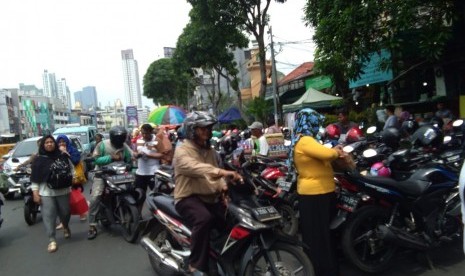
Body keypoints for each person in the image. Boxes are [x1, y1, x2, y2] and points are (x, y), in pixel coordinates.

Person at [173, 111, 242, 275]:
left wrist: (223, 187)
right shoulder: (182, 151)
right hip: (188, 197)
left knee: (232, 219)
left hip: (209, 197)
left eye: (209, 128)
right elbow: (198, 168)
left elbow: (216, 173)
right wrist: (223, 173)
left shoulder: (210, 151)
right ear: (192, 130)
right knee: (204, 219)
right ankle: (195, 264)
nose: (207, 131)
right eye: (202, 128)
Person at [289, 108, 344, 276]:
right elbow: (326, 154)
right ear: (308, 121)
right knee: (319, 236)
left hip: (317, 193)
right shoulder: (305, 140)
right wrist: (337, 151)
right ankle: (323, 269)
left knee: (318, 234)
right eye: (315, 121)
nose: (318, 125)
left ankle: (320, 267)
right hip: (316, 194)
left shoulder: (306, 139)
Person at [87, 126, 134, 240]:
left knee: (133, 189)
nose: (120, 141)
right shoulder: (102, 145)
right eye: (118, 138)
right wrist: (111, 158)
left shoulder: (124, 146)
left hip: (119, 174)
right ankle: (92, 225)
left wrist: (130, 166)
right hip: (102, 174)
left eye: (122, 138)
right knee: (95, 197)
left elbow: (129, 159)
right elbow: (96, 159)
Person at [30, 135, 73, 253]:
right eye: (47, 142)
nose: (49, 144)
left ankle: (65, 225)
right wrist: (35, 193)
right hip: (46, 192)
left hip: (63, 190)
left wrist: (68, 180)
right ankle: (52, 239)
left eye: (51, 142)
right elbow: (34, 178)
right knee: (48, 215)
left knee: (65, 212)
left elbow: (71, 170)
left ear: (55, 144)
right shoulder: (39, 160)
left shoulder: (63, 156)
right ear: (43, 145)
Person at [55, 134, 85, 226]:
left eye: (63, 141)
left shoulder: (72, 150)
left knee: (77, 197)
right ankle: (62, 222)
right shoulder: (55, 152)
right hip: (61, 178)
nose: (61, 143)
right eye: (59, 142)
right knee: (61, 202)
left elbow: (76, 161)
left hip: (73, 177)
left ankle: (82, 213)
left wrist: (66, 153)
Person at [134, 123, 164, 211]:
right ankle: (138, 215)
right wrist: (136, 155)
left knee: (156, 195)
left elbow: (162, 154)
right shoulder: (139, 141)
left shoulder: (157, 140)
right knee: (139, 195)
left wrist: (149, 155)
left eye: (146, 133)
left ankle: (158, 215)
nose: (144, 135)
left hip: (153, 172)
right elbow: (135, 152)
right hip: (140, 173)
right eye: (142, 133)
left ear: (151, 132)